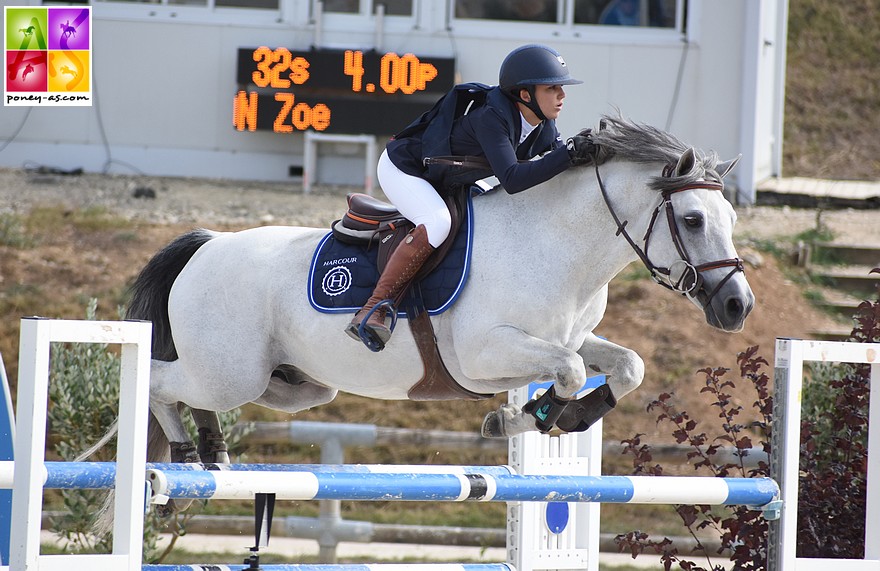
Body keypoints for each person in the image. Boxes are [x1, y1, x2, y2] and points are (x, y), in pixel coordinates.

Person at [345, 44, 596, 350]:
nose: (562, 95)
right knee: (438, 222)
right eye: (552, 87)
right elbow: (514, 179)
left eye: (561, 87)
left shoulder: (543, 123)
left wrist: (587, 155)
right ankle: (374, 307)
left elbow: (556, 163)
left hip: (450, 180)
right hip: (405, 170)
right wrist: (568, 154)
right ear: (525, 94)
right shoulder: (491, 117)